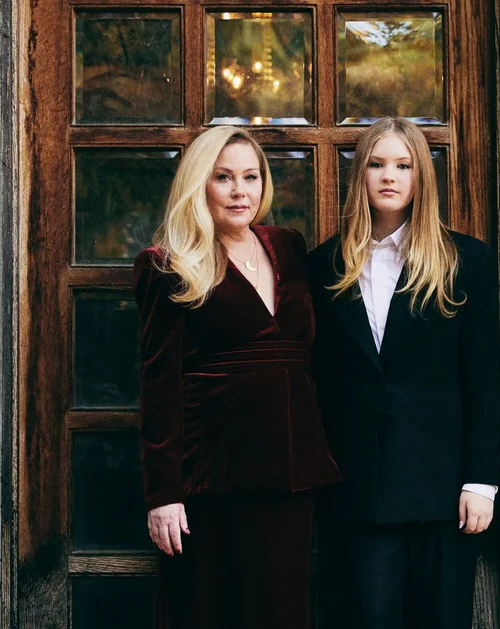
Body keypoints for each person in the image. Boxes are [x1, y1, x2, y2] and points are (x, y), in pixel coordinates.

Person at [133, 125, 341, 629]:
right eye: (223, 177)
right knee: (210, 611)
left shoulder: (288, 247)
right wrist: (164, 496)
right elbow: (160, 385)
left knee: (281, 610)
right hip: (211, 480)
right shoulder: (168, 264)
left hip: (291, 473)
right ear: (200, 183)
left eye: (250, 177)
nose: (239, 190)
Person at [308, 117, 500, 629]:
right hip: (359, 487)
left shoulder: (467, 261)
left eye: (403, 165)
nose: (388, 176)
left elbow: (483, 377)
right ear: (360, 176)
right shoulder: (322, 266)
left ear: (421, 178)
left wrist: (481, 481)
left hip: (443, 489)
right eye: (376, 164)